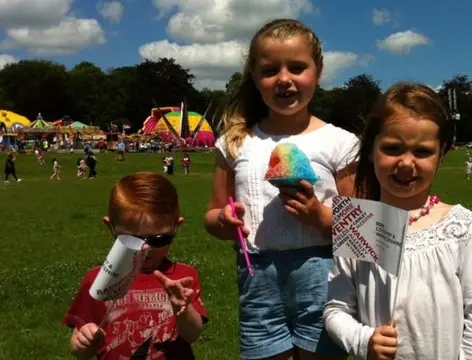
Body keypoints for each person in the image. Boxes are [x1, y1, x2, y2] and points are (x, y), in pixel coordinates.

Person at [204, 18, 359, 360]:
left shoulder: (339, 142)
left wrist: (320, 216)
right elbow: (213, 214)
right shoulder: (235, 143)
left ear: (317, 73)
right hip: (257, 277)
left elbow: (362, 230)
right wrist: (224, 220)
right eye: (270, 70)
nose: (284, 79)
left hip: (324, 274)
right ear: (255, 79)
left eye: (297, 67)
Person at [323, 83, 472, 360]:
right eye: (392, 148)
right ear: (370, 150)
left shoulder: (460, 225)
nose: (406, 163)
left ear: (441, 154)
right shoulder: (359, 223)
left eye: (422, 151)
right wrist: (364, 340)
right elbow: (336, 308)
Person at [62, 172, 208, 359]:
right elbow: (79, 349)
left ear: (175, 227)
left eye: (159, 239)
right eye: (131, 239)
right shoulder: (98, 279)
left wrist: (183, 308)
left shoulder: (183, 277)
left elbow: (192, 334)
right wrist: (84, 342)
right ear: (111, 227)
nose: (145, 248)